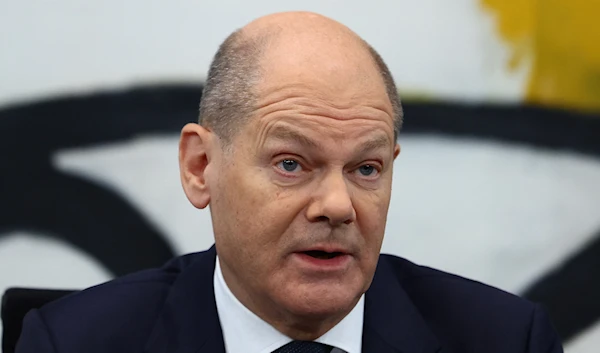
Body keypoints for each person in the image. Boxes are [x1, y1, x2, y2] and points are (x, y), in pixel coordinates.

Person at [16, 11, 563, 353]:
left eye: (366, 169)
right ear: (200, 166)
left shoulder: (507, 340)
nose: (337, 206)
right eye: (291, 164)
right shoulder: (74, 342)